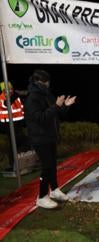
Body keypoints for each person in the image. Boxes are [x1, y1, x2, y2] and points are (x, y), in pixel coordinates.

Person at [24, 70, 76, 209]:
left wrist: (66, 105)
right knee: (47, 167)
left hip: (50, 136)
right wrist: (57, 106)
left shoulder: (47, 94)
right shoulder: (32, 98)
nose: (48, 84)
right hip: (39, 138)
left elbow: (56, 113)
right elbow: (41, 118)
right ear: (39, 82)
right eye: (46, 82)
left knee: (52, 165)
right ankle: (41, 197)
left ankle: (54, 190)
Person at [0, 81, 27, 171]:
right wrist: (16, 95)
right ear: (4, 90)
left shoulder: (14, 96)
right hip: (8, 125)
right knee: (13, 144)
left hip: (17, 123)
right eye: (8, 89)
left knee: (21, 142)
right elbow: (6, 105)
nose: (11, 90)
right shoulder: (2, 97)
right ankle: (13, 165)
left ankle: (21, 162)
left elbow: (19, 109)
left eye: (11, 88)